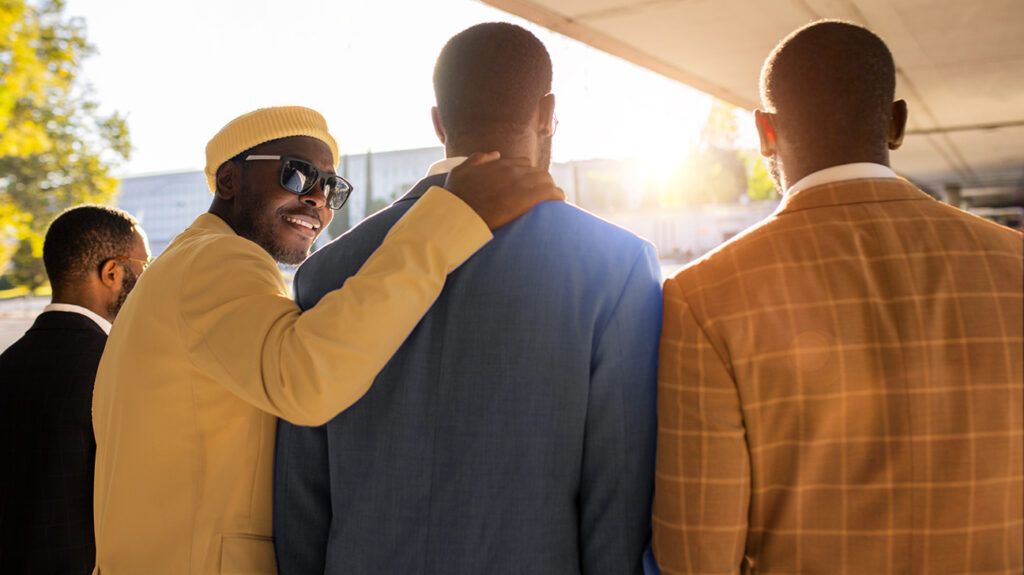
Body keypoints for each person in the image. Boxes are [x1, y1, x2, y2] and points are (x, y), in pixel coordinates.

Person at [91, 106, 562, 574]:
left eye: (331, 187)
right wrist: (449, 222)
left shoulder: (181, 266)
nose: (318, 198)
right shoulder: (217, 258)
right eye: (298, 175)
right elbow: (308, 378)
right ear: (230, 181)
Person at [274, 23, 661, 575]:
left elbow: (300, 502)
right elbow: (618, 504)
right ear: (548, 113)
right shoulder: (615, 267)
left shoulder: (327, 271)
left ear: (438, 122)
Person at [652, 20, 1023, 574]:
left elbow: (697, 556)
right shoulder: (1014, 264)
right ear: (896, 123)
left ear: (765, 131)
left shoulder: (703, 296)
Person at [0, 205, 149, 574]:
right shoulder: (122, 369)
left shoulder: (8, 362)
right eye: (144, 267)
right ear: (112, 272)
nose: (149, 280)